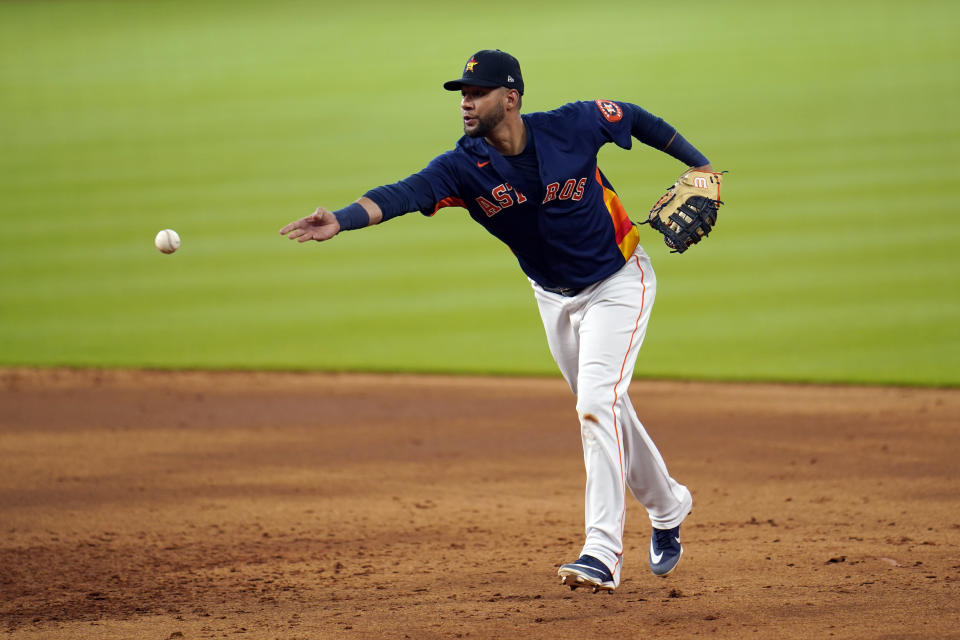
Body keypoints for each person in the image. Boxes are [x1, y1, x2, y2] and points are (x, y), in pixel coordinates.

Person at [281, 49, 711, 593]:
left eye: (476, 92)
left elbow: (634, 117)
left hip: (619, 281)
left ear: (510, 98)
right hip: (552, 297)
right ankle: (669, 504)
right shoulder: (463, 166)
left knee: (596, 404)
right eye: (462, 93)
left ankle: (601, 551)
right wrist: (339, 220)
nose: (465, 103)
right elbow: (404, 193)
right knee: (607, 407)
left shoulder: (572, 125)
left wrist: (698, 166)